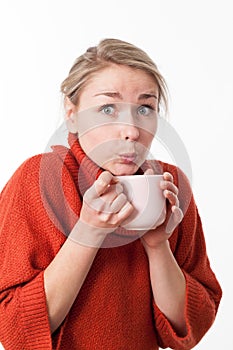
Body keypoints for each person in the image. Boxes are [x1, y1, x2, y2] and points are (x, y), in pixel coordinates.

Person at [0, 38, 222, 350]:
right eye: (108, 108)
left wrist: (158, 246)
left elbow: (190, 328)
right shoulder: (38, 180)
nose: (131, 130)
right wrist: (88, 232)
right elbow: (16, 333)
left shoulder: (171, 185)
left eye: (145, 108)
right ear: (72, 114)